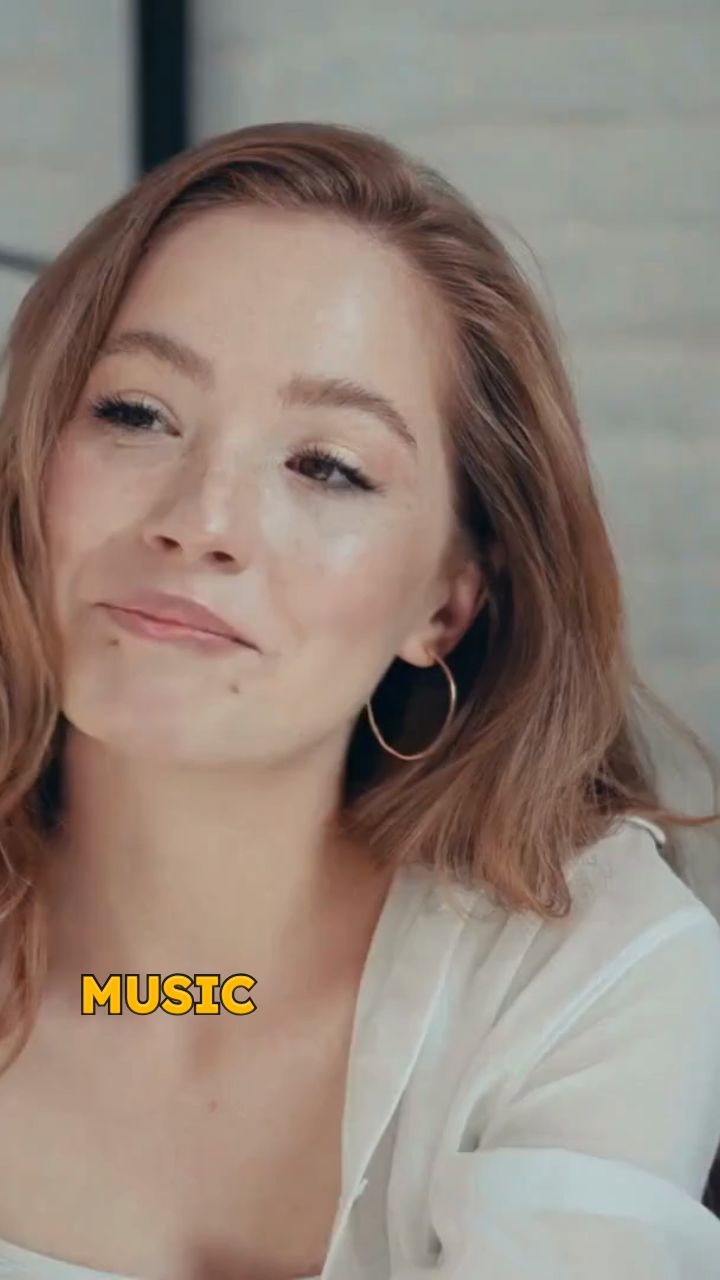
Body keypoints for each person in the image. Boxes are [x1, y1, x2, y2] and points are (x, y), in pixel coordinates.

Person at [0, 120, 718, 1280]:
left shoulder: (582, 969)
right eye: (136, 412)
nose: (201, 519)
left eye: (326, 465)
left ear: (447, 602)